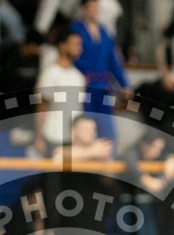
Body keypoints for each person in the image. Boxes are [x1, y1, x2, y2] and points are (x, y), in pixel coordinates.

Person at [71, 0, 131, 141]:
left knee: (108, 129)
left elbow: (114, 62)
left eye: (96, 8)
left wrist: (125, 84)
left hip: (103, 87)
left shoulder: (105, 32)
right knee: (86, 126)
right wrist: (77, 76)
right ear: (83, 9)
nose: (95, 11)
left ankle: (109, 158)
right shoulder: (75, 30)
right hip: (84, 86)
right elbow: (72, 56)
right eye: (91, 7)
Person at [33, 23, 87, 158]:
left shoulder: (79, 77)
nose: (78, 48)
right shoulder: (50, 74)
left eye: (79, 45)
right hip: (52, 137)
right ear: (62, 46)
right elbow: (41, 108)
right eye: (74, 44)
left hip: (74, 140)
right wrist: (39, 137)